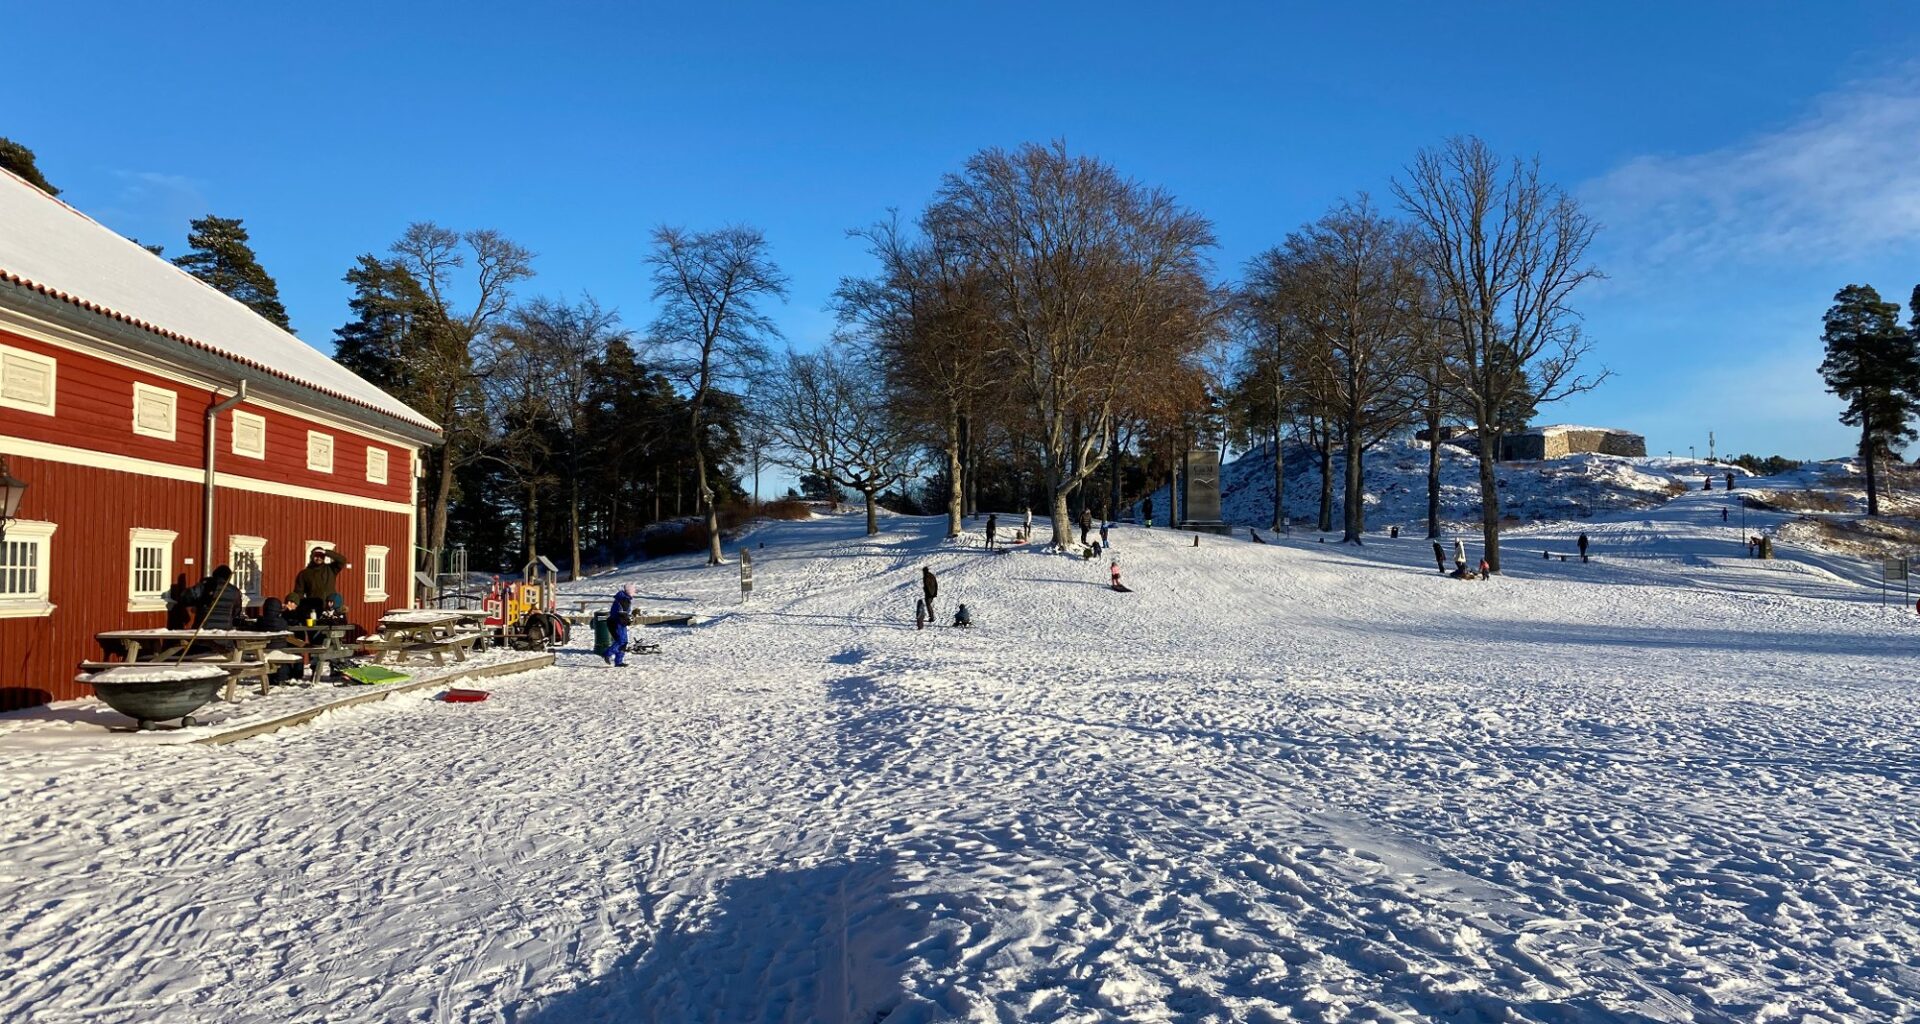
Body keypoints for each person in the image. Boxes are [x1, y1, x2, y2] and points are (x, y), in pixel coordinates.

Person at [289, 547, 349, 621]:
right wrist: (301, 608)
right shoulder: (304, 574)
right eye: (316, 556)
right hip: (314, 609)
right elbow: (298, 593)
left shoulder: (330, 569)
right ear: (312, 557)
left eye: (321, 556)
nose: (318, 558)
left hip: (331, 607)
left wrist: (326, 552)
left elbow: (342, 560)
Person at [606, 586, 633, 667]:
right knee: (621, 640)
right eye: (633, 590)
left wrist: (629, 618)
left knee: (624, 641)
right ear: (629, 591)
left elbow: (624, 613)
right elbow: (621, 614)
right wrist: (628, 620)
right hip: (616, 623)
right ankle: (607, 654)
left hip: (620, 623)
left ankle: (618, 662)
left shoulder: (624, 598)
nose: (634, 592)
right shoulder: (624, 599)